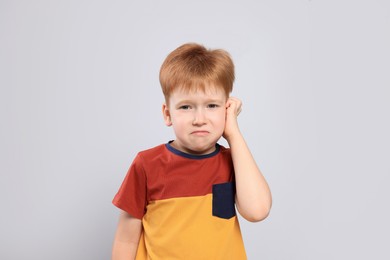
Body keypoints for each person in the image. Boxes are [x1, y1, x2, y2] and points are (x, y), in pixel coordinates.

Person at [111, 43, 272, 260]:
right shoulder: (147, 164)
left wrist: (233, 134)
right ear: (168, 114)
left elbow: (257, 211)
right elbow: (126, 239)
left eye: (212, 106)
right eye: (186, 107)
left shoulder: (234, 161)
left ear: (227, 109)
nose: (199, 119)